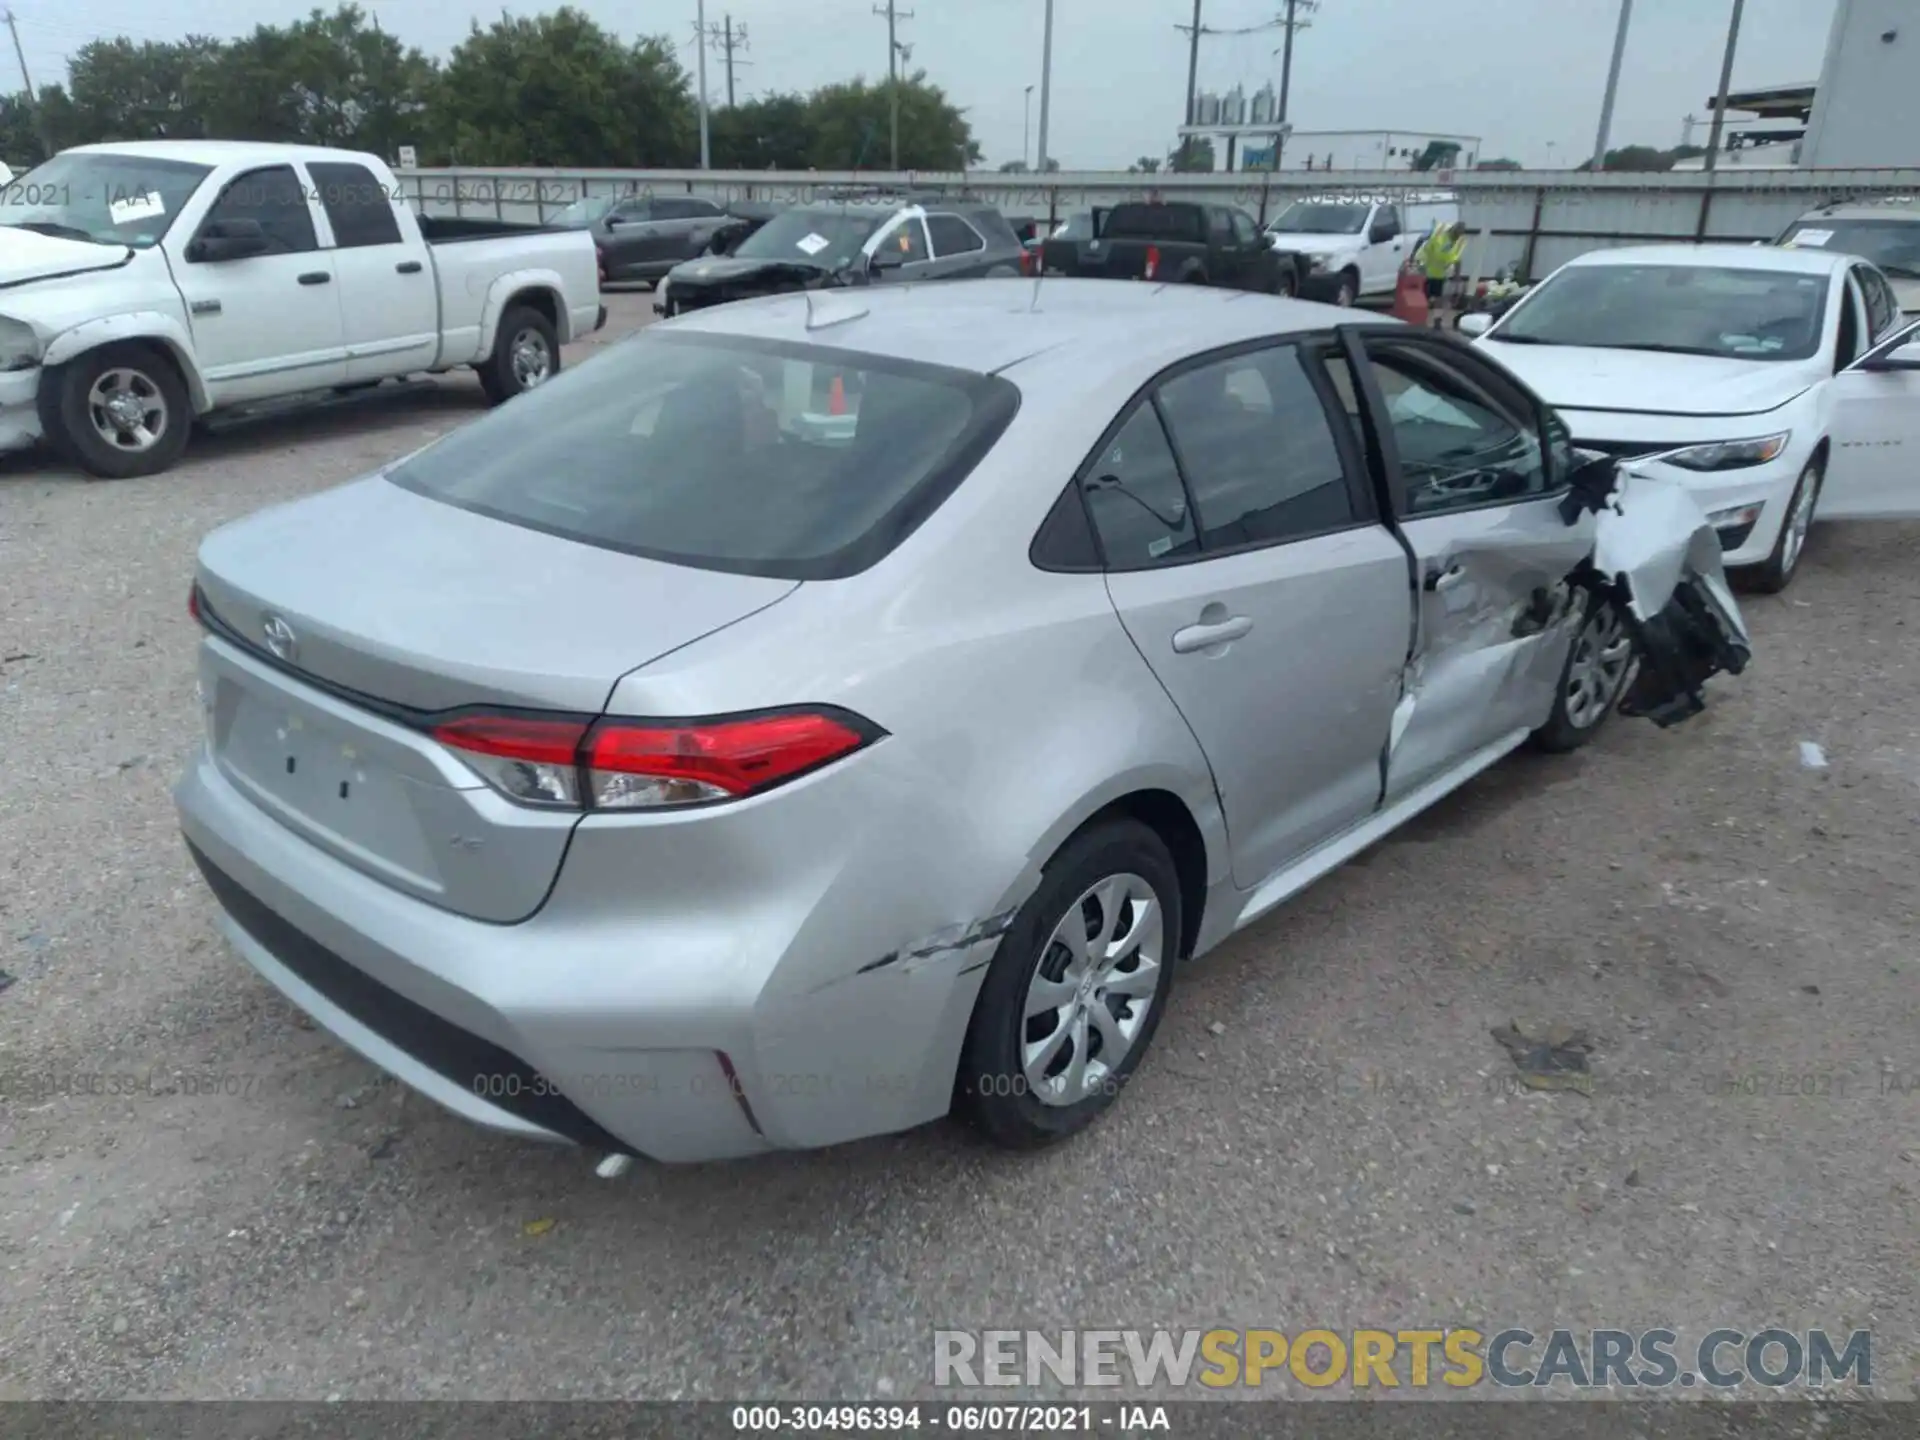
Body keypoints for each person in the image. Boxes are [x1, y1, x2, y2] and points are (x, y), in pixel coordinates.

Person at [1414, 221, 1468, 330]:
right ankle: (1420, 320)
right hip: (1423, 266)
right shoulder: (1440, 229)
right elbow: (1422, 239)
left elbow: (1457, 260)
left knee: (1438, 298)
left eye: (1459, 236)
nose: (1456, 238)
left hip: (1439, 273)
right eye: (1455, 235)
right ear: (1452, 230)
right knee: (1422, 297)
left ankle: (1436, 320)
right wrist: (1413, 259)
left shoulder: (1460, 241)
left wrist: (1457, 278)